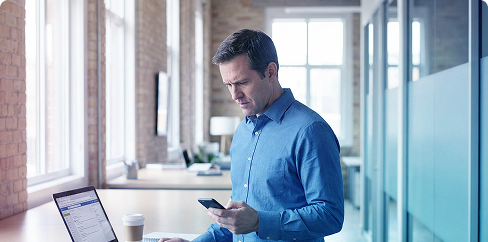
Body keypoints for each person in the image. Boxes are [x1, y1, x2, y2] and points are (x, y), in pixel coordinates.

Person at [160, 29, 344, 242]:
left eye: (242, 83)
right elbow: (237, 220)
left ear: (270, 72)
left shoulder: (311, 130)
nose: (234, 95)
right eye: (228, 84)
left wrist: (259, 221)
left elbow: (330, 215)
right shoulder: (242, 132)